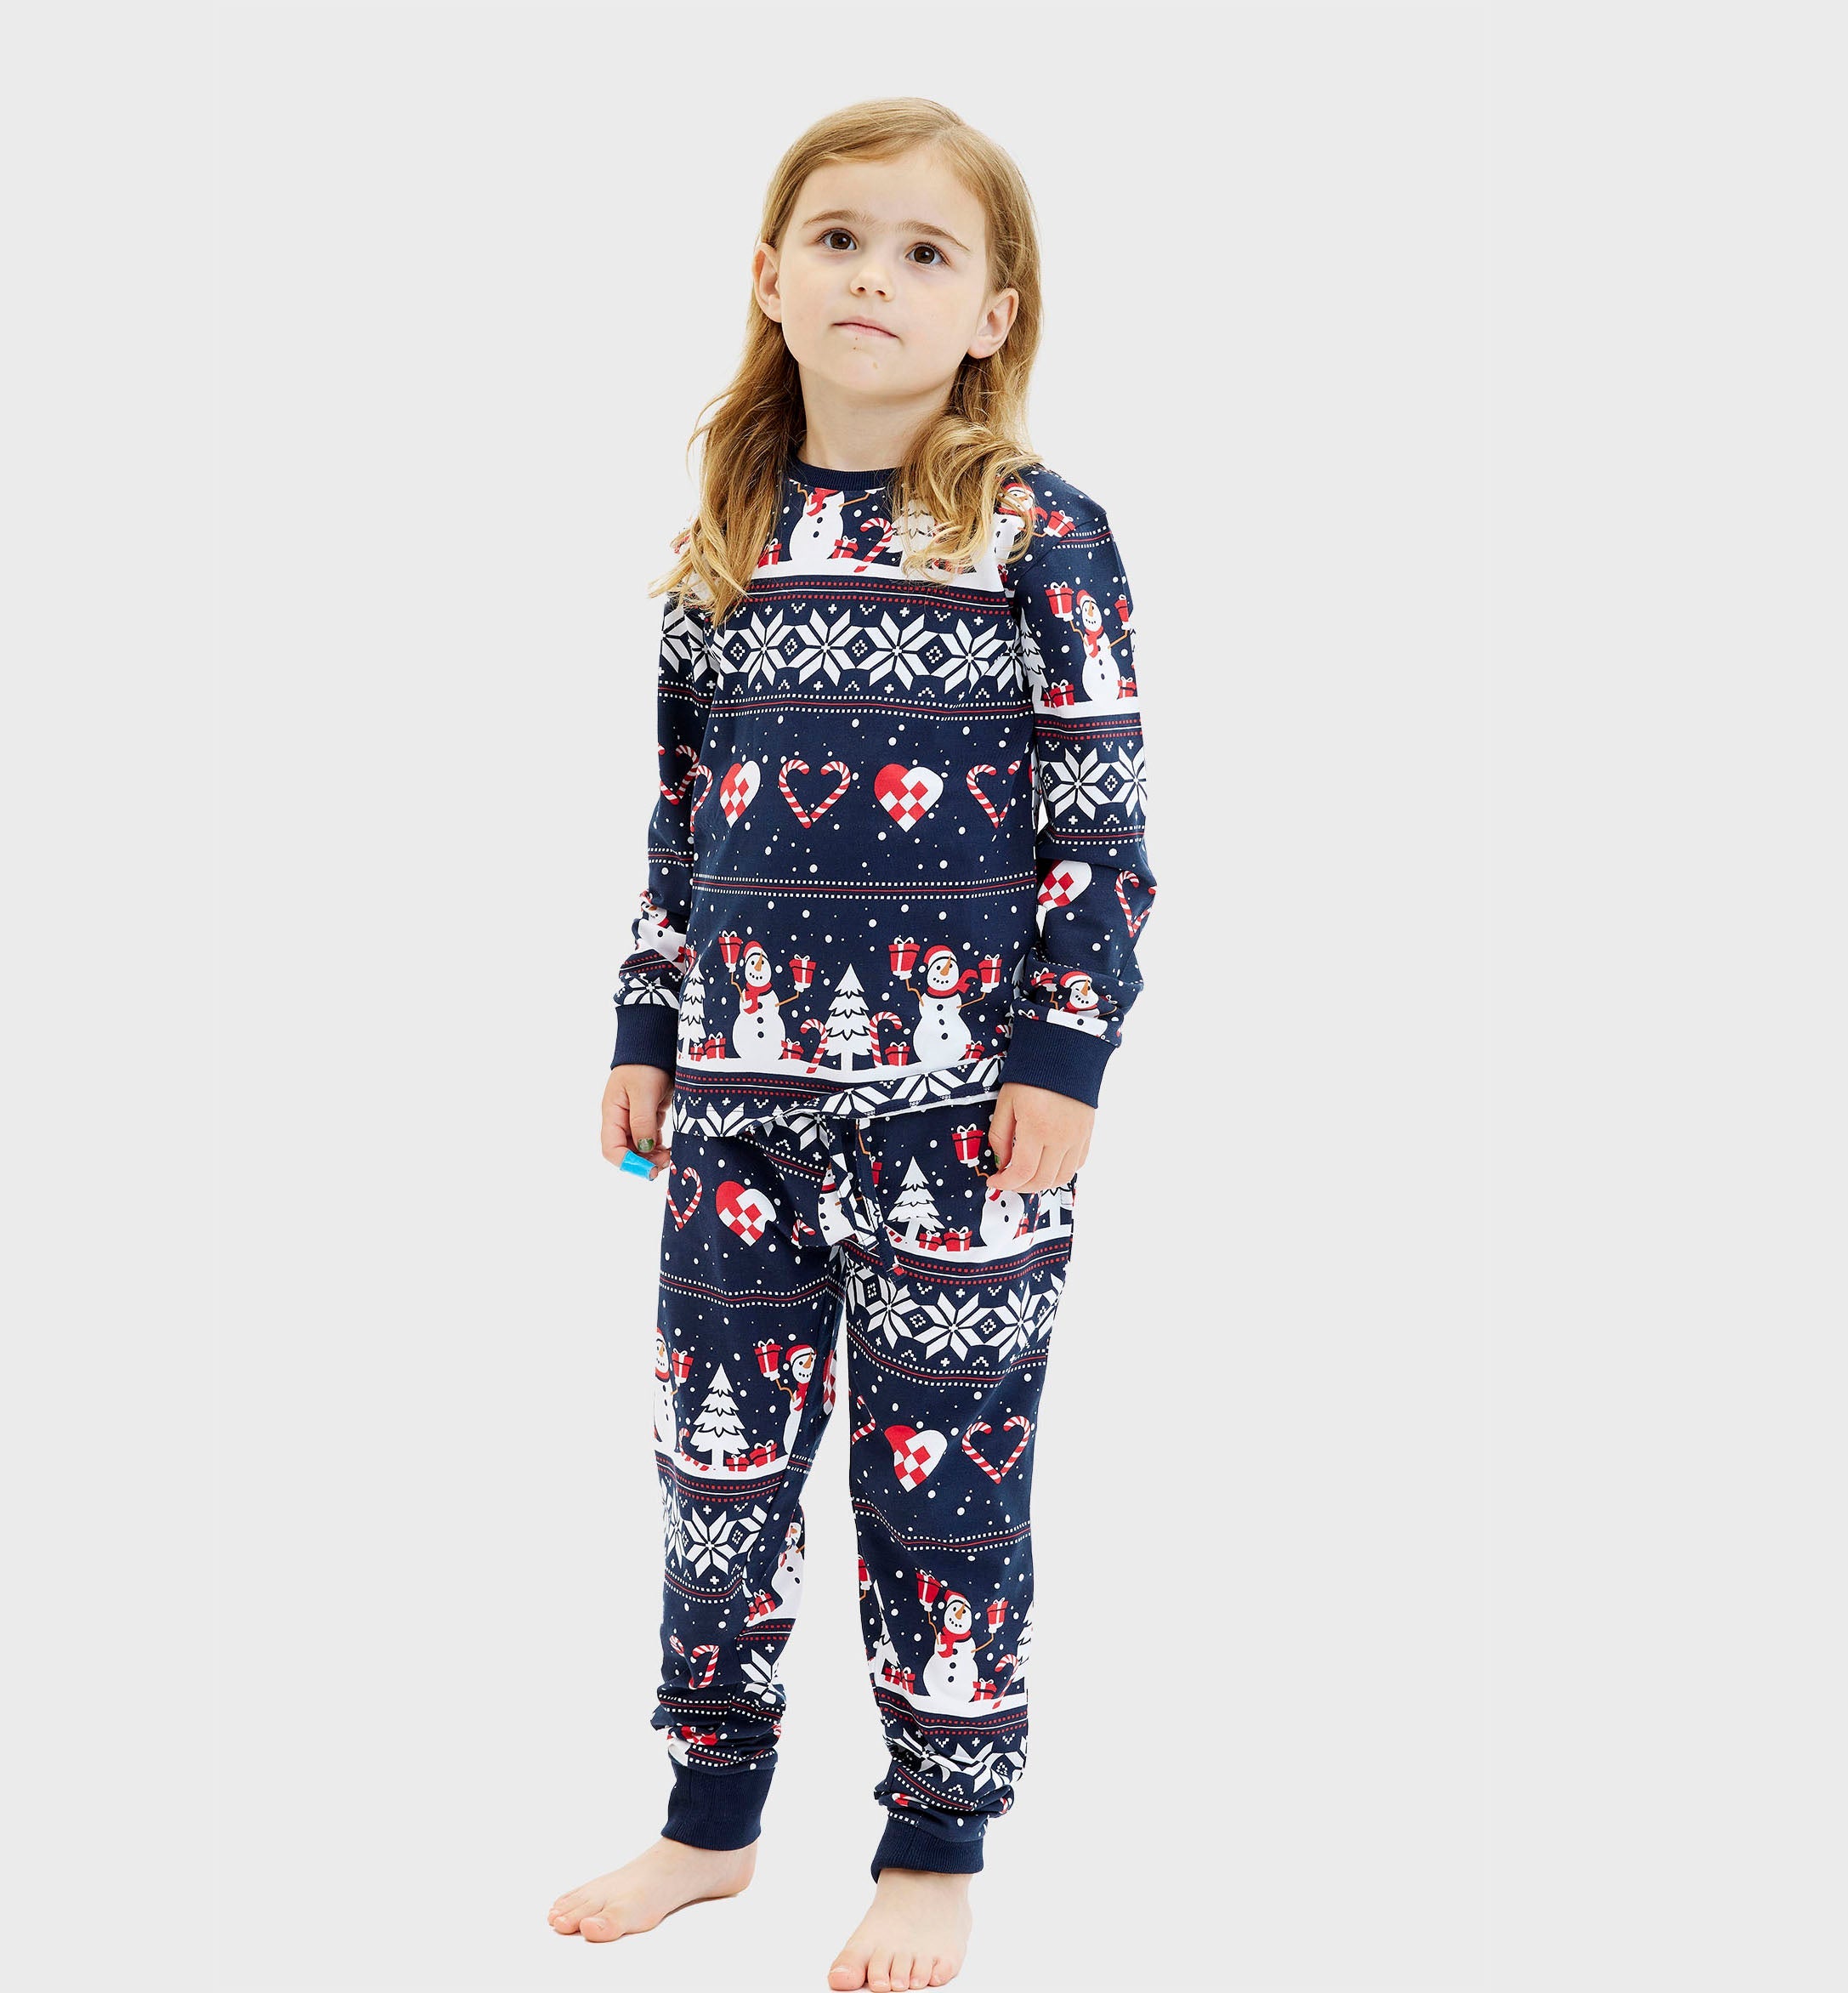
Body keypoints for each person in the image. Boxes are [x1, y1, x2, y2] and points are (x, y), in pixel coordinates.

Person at [553, 96, 1158, 1992]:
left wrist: (1060, 1057)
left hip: (961, 1124)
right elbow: (682, 821)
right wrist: (647, 1020)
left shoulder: (1039, 535)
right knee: (714, 1475)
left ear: (993, 311)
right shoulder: (725, 546)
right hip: (735, 1108)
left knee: (941, 1487)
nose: (872, 277)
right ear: (768, 276)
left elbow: (1104, 829)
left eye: (923, 252)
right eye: (835, 238)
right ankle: (710, 1815)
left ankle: (932, 1843)